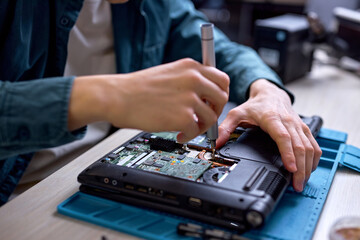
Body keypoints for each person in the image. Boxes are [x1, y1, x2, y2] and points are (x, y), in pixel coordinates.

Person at [0, 0, 321, 205]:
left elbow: (220, 49)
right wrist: (101, 96)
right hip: (19, 198)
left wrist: (267, 90)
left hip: (99, 178)